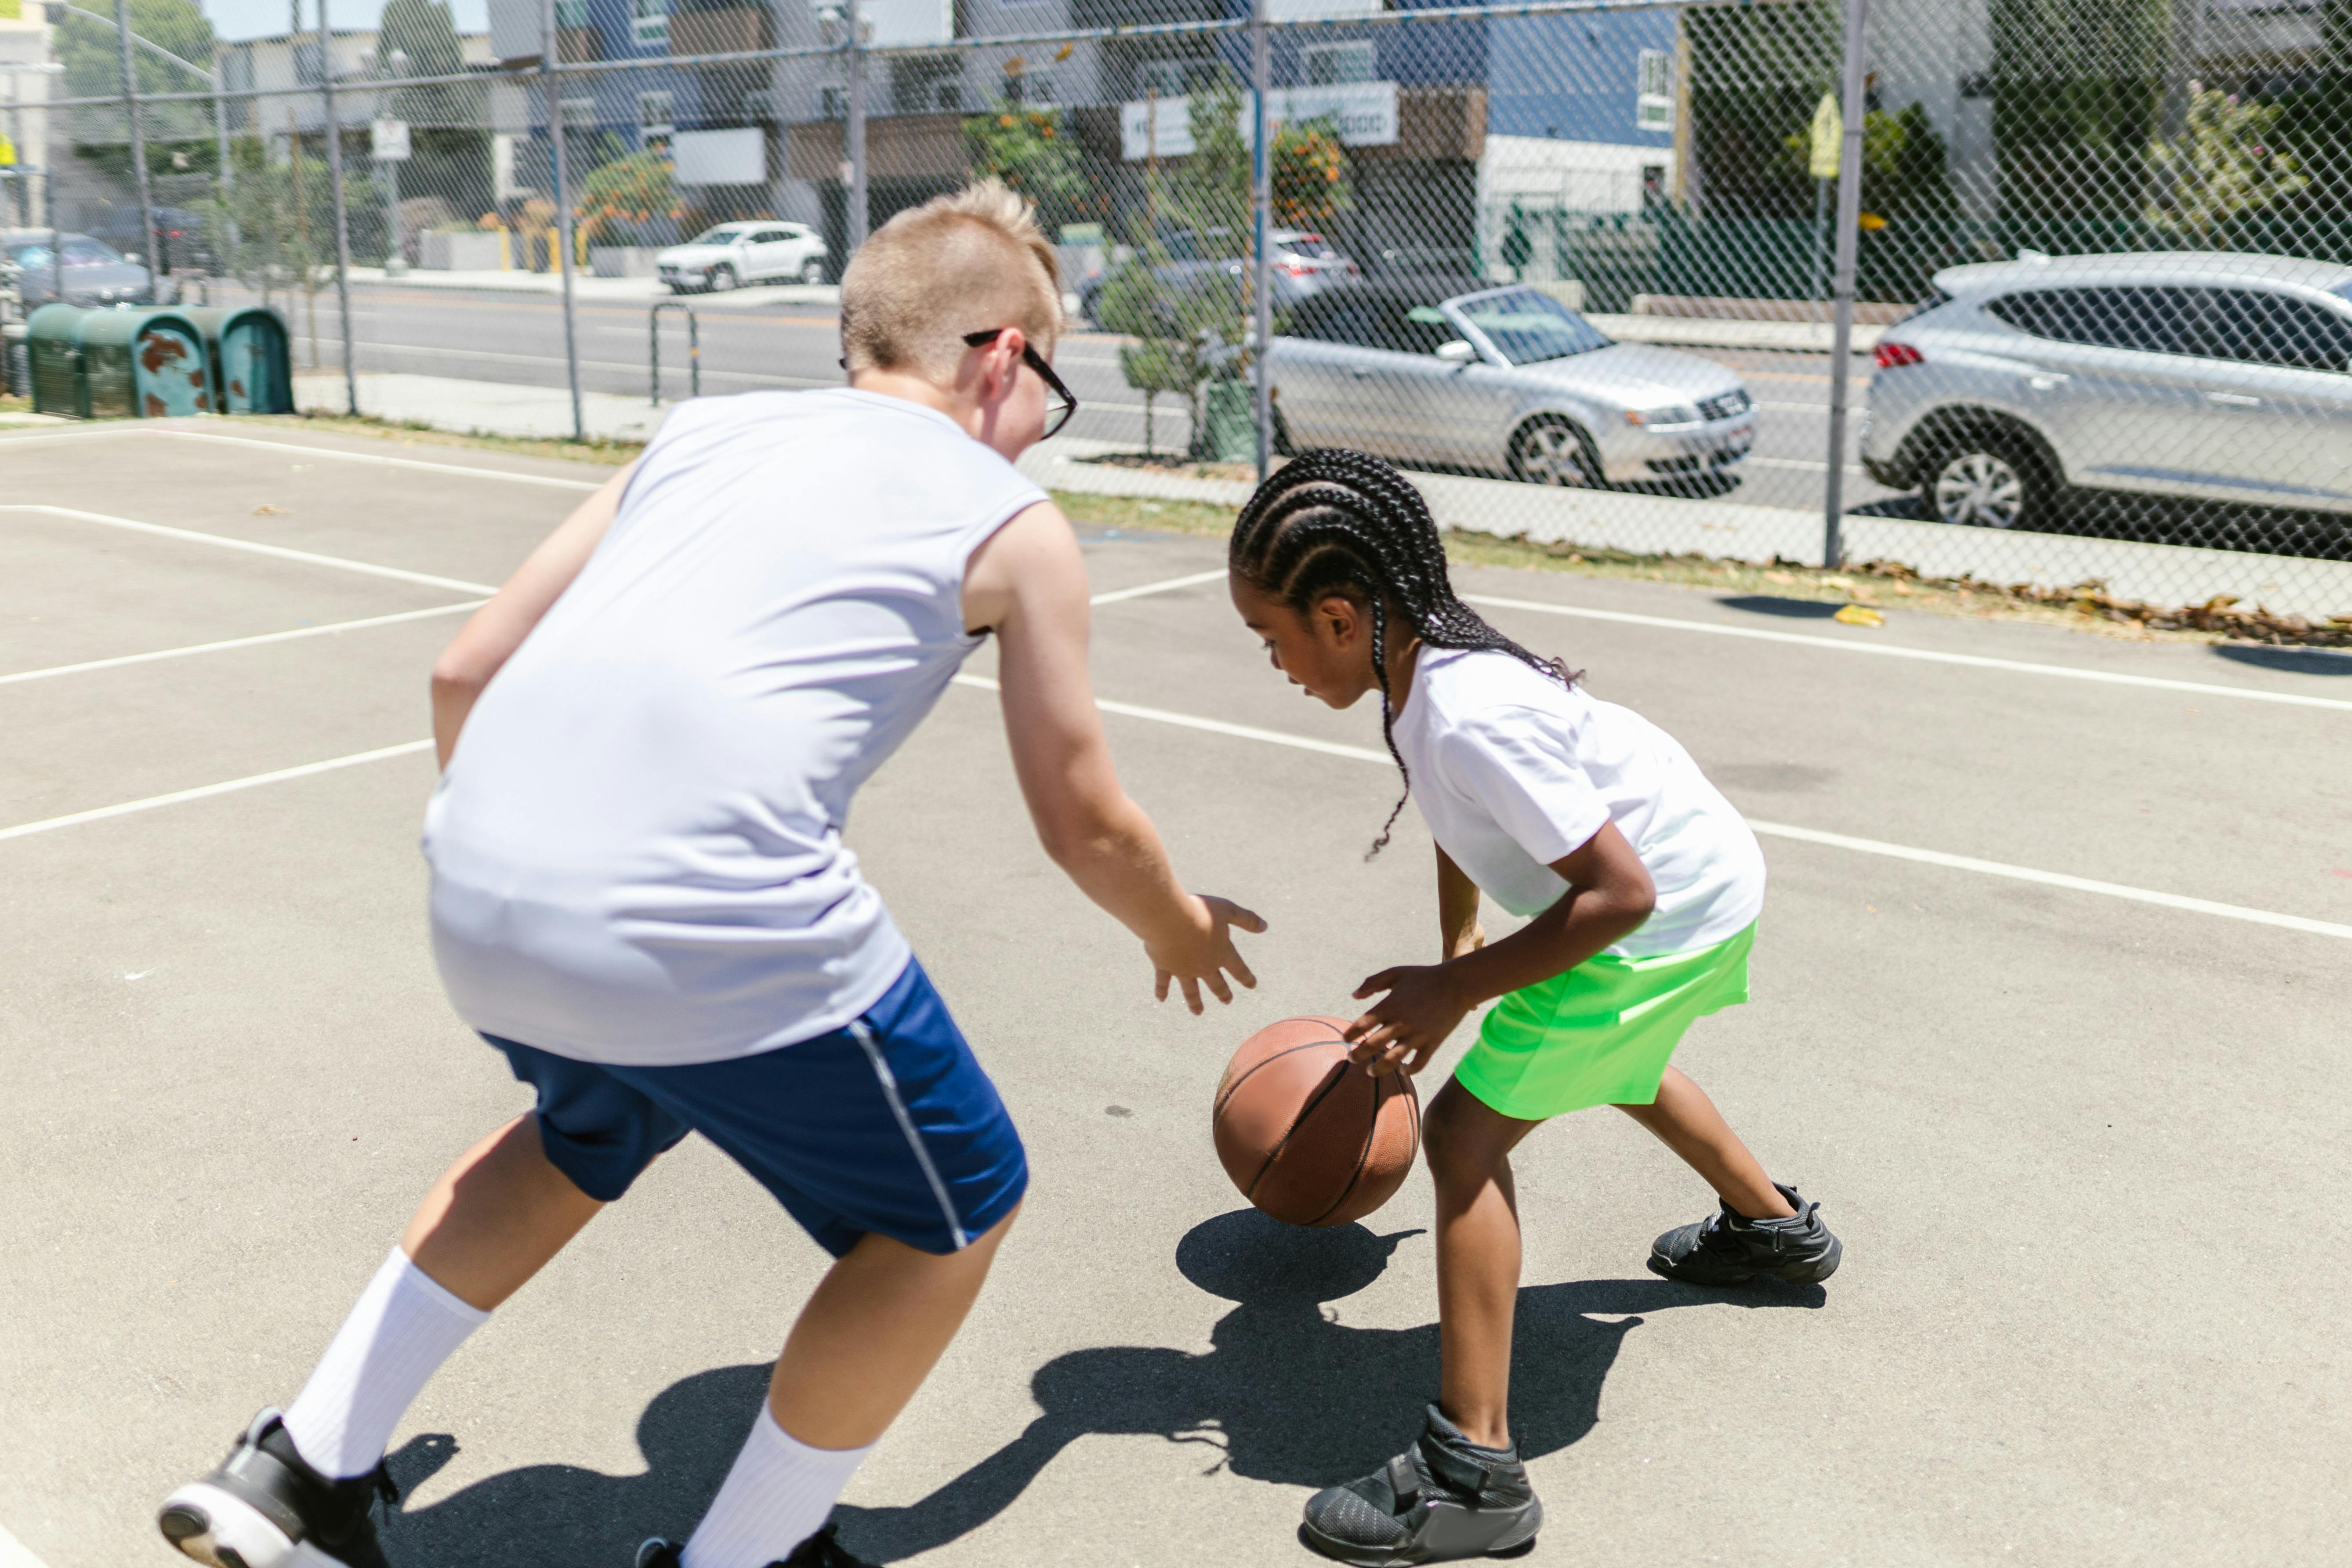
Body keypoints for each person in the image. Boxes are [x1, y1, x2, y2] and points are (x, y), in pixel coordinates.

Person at [156, 179, 1264, 1568]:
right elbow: (1086, 822)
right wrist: (1175, 923)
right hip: (714, 919)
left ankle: (301, 1467)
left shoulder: (699, 432)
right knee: (956, 1211)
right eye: (1051, 383)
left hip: (484, 878)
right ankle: (749, 1553)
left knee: (582, 1132)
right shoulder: (1007, 520)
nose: (1044, 421)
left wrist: (542, 849)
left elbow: (465, 669)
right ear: (997, 357)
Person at [1225, 449, 1841, 1565]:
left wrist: (1460, 987)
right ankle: (1772, 1231)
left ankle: (1475, 1472)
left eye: (1269, 639)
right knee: (1613, 1059)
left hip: (1656, 915)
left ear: (1337, 612)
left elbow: (1618, 895)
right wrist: (1461, 956)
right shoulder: (1416, 674)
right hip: (1703, 884)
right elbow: (1460, 824)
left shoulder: (1464, 711)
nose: (1269, 663)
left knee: (1465, 1134)